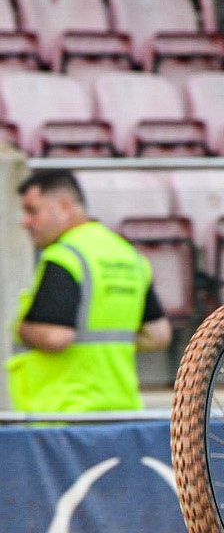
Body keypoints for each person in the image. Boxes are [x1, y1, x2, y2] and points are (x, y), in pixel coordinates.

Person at [7, 169, 171, 416]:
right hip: (122, 410)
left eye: (32, 211)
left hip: (63, 416)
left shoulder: (64, 256)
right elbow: (157, 335)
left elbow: (55, 337)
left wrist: (20, 328)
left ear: (63, 206)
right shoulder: (128, 255)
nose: (25, 221)